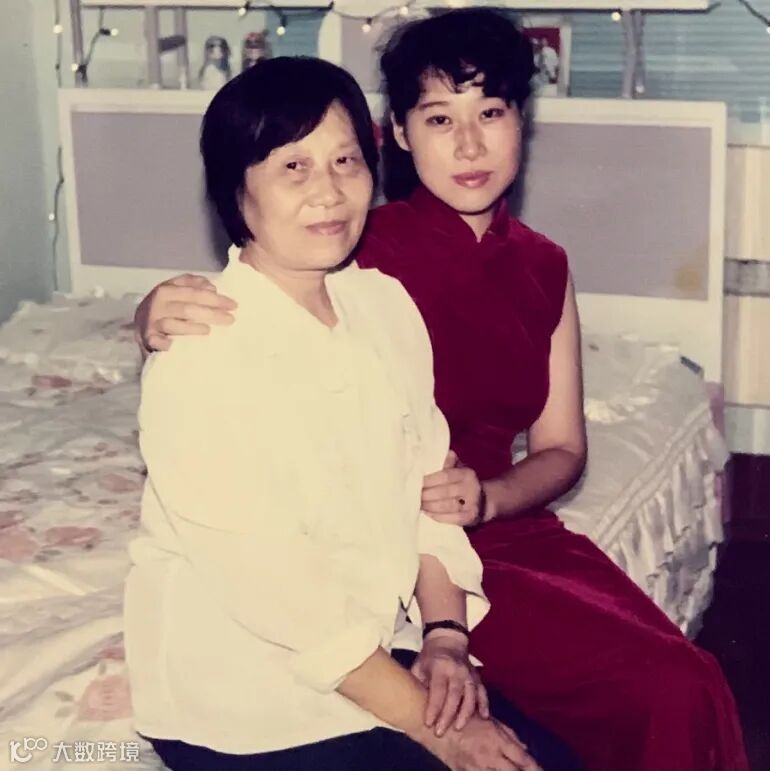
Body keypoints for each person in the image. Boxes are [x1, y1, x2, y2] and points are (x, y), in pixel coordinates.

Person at [134, 10, 748, 770]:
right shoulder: (358, 249)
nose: (468, 145)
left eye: (490, 113)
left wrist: (483, 515)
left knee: (682, 681)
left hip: (471, 531)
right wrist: (150, 317)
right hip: (375, 563)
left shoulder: (486, 276)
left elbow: (555, 448)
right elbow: (252, 314)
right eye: (439, 118)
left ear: (521, 122)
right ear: (398, 133)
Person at [124, 55, 579, 771]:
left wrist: (445, 635)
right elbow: (277, 592)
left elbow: (430, 487)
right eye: (293, 167)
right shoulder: (201, 353)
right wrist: (438, 729)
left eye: (345, 161)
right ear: (236, 190)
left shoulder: (383, 304)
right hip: (247, 695)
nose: (329, 192)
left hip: (369, 652)